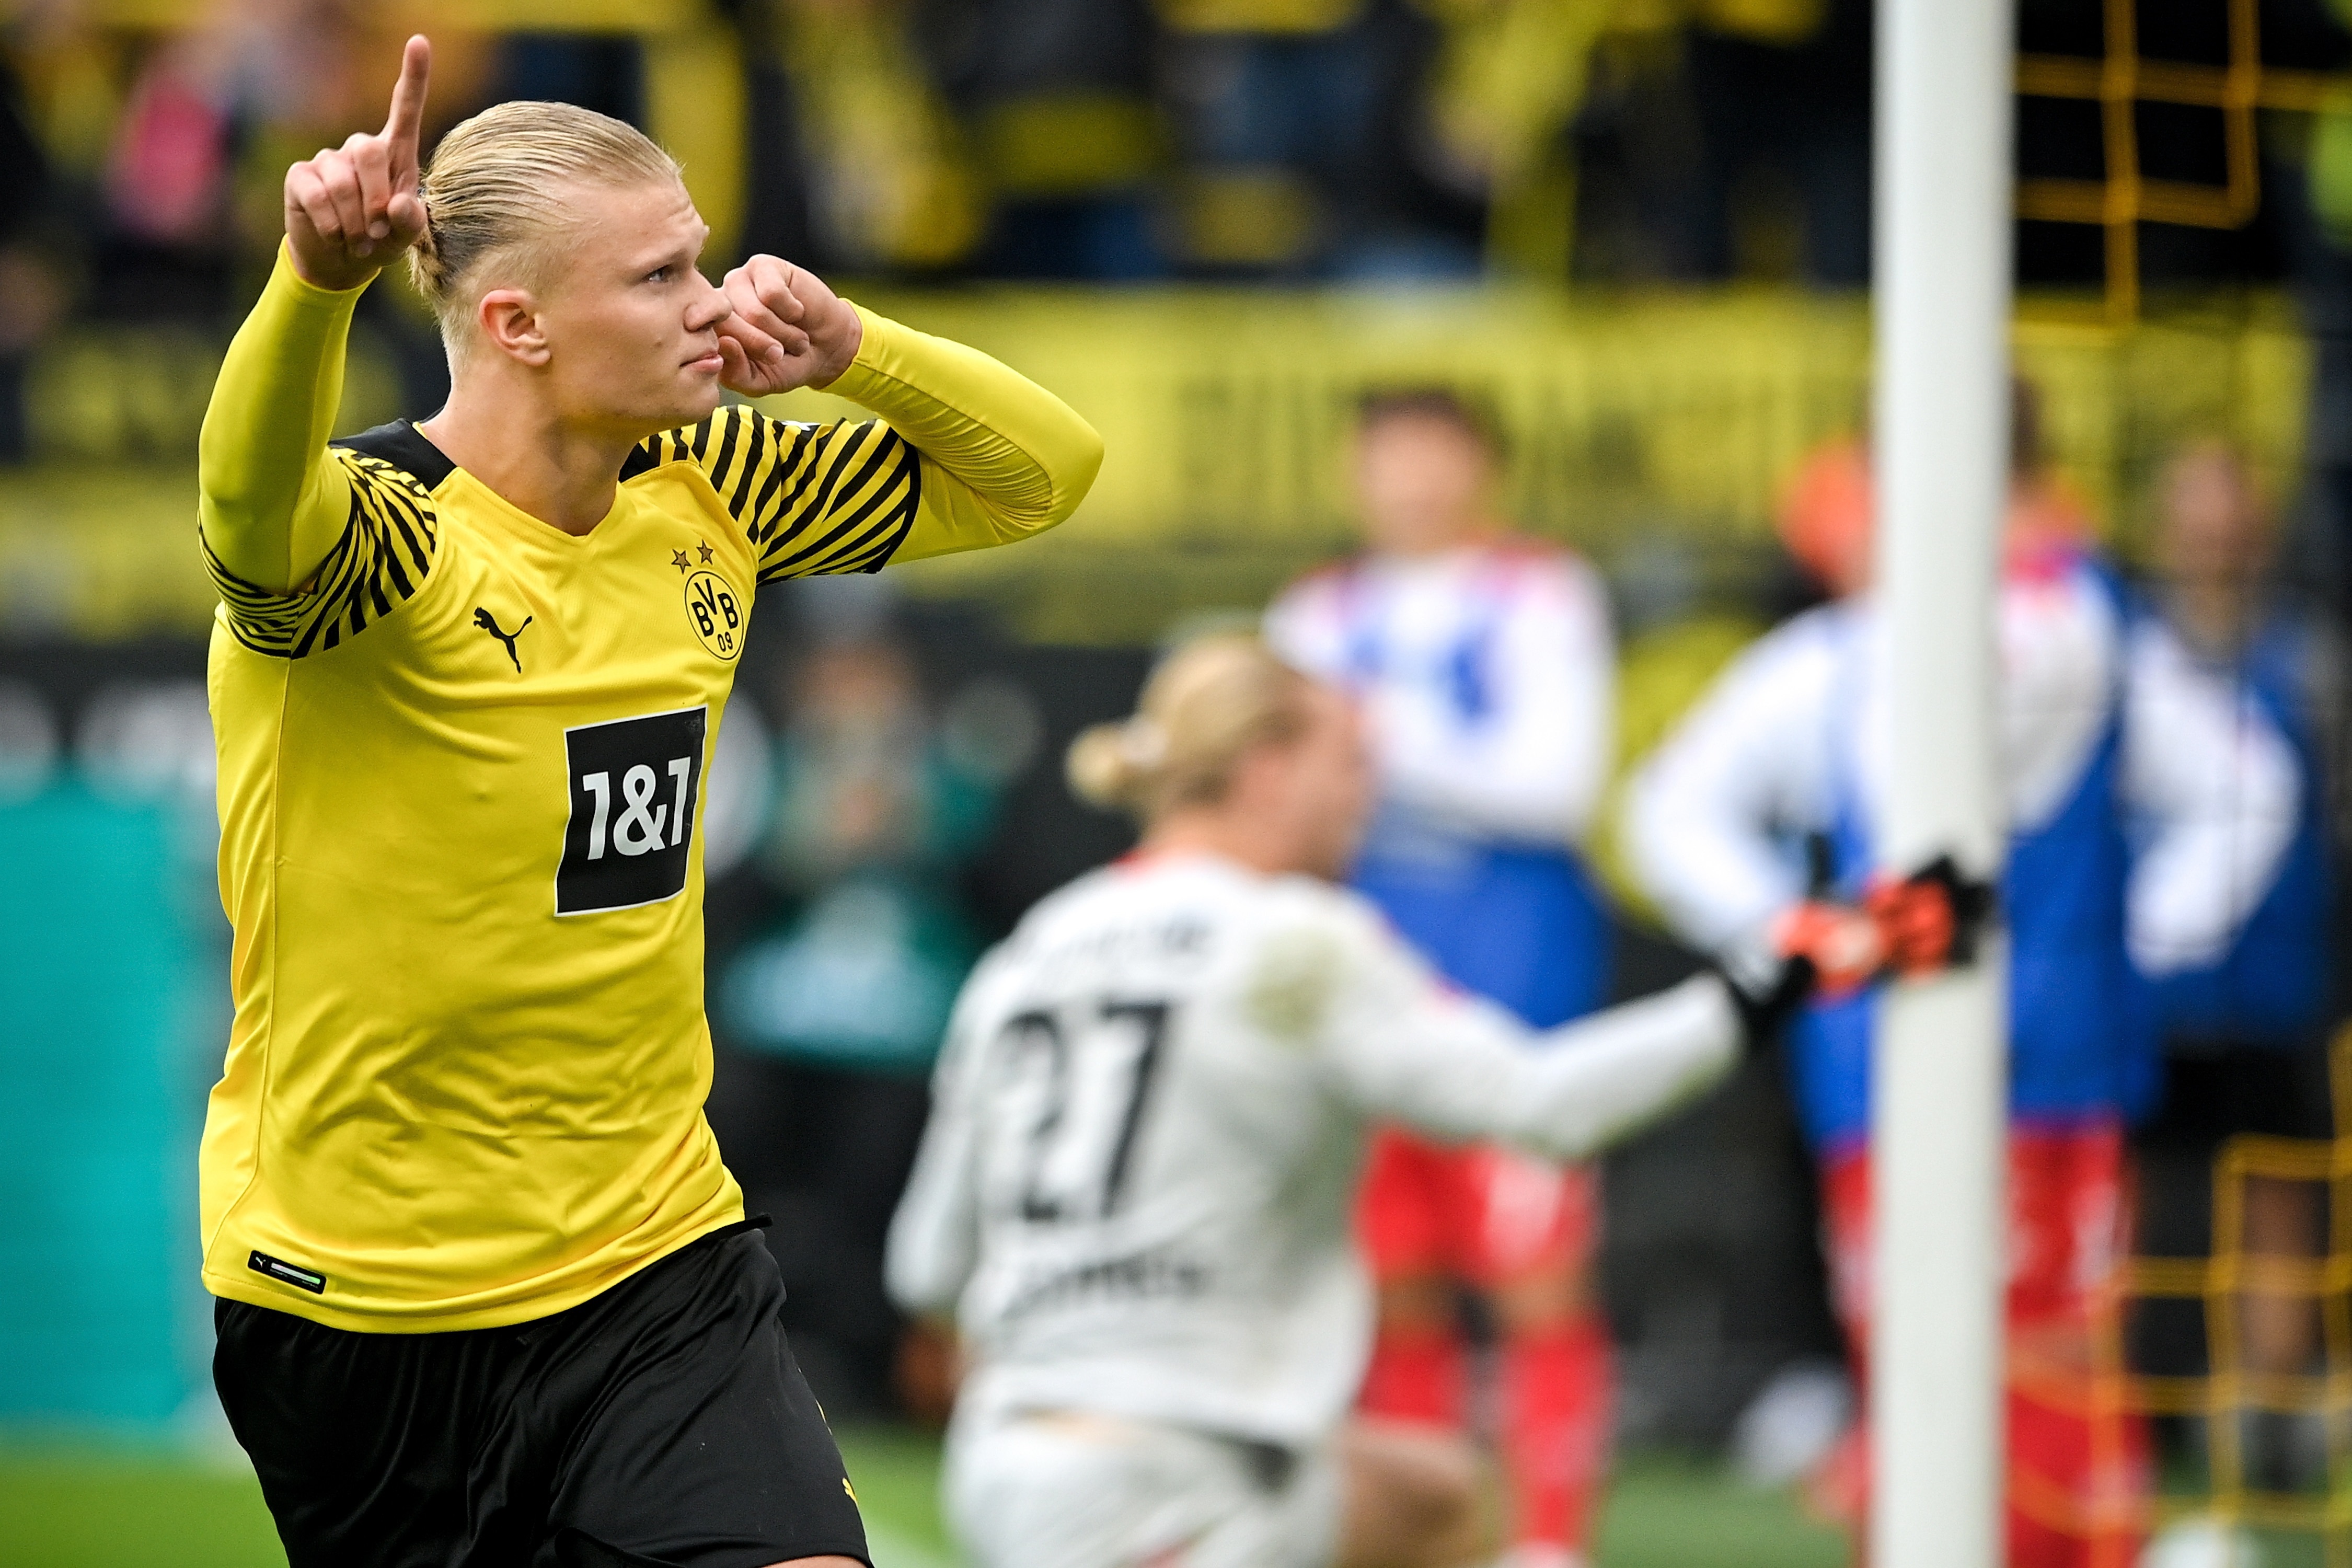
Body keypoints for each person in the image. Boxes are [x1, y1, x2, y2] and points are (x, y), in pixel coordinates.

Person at [194, 37, 1102, 1568]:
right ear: (517, 323)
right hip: (372, 1296)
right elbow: (242, 505)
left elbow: (1042, 476)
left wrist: (855, 348)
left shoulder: (708, 487)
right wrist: (310, 287)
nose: (711, 303)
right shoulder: (387, 550)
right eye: (662, 276)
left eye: (704, 259)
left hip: (654, 1258)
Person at [885, 632, 1965, 1568]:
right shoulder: (1291, 946)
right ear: (1264, 768)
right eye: (1349, 761)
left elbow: (927, 1265)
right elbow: (1546, 1105)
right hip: (1179, 1478)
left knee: (1441, 1501)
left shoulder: (1027, 958)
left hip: (1010, 1461)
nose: (1368, 794)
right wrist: (1767, 981)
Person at [1624, 400, 2298, 1568]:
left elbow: (2245, 787)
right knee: (1918, 1360)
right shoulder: (1842, 656)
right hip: (1875, 1079)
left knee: (2050, 1353)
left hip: (2057, 1070)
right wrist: (1795, 932)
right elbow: (1666, 812)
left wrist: (2149, 939)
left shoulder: (2077, 629)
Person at [1264, 388, 1618, 1567]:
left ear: (1484, 468)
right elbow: (1281, 812)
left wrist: (1379, 741)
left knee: (1537, 1281)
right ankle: (1432, 1537)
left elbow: (1556, 787)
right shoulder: (1315, 610)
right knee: (1393, 1288)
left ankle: (1550, 1545)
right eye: (1387, 458)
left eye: (1434, 456)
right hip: (1362, 999)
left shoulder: (1543, 594)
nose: (1410, 482)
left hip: (1515, 994)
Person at [2130, 441, 2339, 1486]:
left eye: (2231, 519)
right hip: (2148, 990)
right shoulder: (2121, 652)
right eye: (2195, 518)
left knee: (2279, 1197)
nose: (2214, 541)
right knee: (2132, 1197)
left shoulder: (2310, 661)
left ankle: (2270, 1429)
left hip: (2278, 982)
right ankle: (2131, 1412)